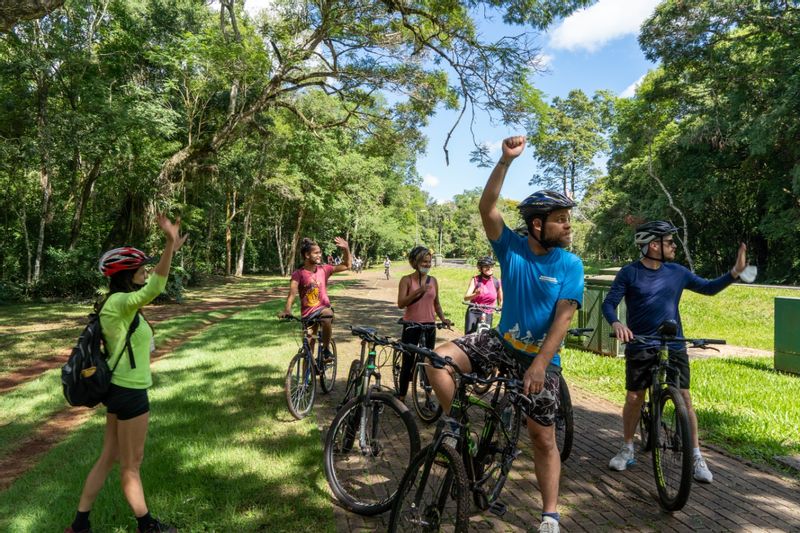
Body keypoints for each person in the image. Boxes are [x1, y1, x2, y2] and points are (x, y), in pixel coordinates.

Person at [424, 136, 584, 533]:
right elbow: (487, 207)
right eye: (561, 218)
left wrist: (541, 365)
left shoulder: (571, 265)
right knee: (436, 360)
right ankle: (461, 427)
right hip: (501, 342)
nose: (568, 225)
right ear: (537, 224)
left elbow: (562, 319)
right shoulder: (511, 249)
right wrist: (504, 161)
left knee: (542, 438)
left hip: (542, 358)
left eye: (568, 218)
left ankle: (549, 515)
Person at [65, 215, 188, 533]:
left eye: (146, 266)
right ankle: (147, 526)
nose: (146, 271)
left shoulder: (119, 304)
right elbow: (156, 286)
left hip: (120, 389)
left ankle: (79, 525)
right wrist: (169, 246)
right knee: (131, 466)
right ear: (126, 274)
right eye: (141, 267)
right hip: (130, 392)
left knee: (108, 458)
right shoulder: (120, 302)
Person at [602, 220, 748, 484]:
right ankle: (627, 448)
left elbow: (708, 287)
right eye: (669, 242)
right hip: (642, 344)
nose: (674, 246)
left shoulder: (677, 272)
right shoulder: (629, 273)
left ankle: (695, 456)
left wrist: (734, 273)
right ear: (653, 245)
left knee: (685, 399)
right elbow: (610, 303)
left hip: (674, 344)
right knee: (635, 397)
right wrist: (617, 323)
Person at [395, 245, 452, 402]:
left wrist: (443, 319)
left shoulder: (433, 281)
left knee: (428, 362)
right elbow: (401, 303)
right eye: (423, 261)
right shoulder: (406, 280)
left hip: (429, 326)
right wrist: (417, 292)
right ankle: (401, 396)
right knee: (408, 361)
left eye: (429, 261)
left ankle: (428, 399)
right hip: (411, 325)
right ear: (414, 262)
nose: (427, 265)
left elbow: (437, 303)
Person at [278, 237, 351, 359]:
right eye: (316, 253)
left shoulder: (324, 269)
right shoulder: (299, 274)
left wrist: (346, 249)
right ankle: (306, 377)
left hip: (322, 309)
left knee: (327, 315)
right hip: (308, 315)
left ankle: (326, 349)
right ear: (307, 255)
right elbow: (292, 293)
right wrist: (287, 310)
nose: (319, 255)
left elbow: (347, 265)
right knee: (308, 352)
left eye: (320, 252)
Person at [463, 256, 503, 333]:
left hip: (488, 312)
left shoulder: (496, 282)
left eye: (491, 266)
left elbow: (500, 300)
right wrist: (476, 294)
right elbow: (466, 298)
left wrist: (500, 307)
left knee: (485, 338)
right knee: (469, 336)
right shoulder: (476, 280)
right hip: (474, 311)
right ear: (481, 268)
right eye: (486, 266)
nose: (489, 268)